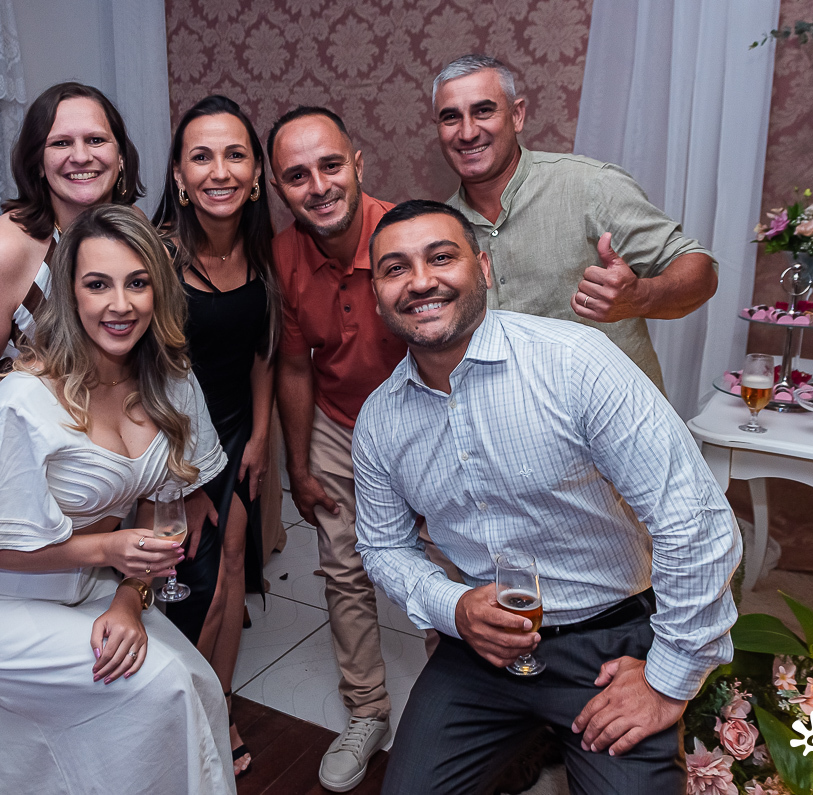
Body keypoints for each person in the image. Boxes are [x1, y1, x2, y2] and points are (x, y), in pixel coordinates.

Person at [352, 200, 741, 794]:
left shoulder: (575, 363)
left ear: (483, 267)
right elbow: (382, 546)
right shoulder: (380, 420)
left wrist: (667, 679)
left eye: (441, 257)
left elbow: (694, 522)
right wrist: (453, 607)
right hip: (482, 649)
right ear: (377, 294)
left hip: (608, 645)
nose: (421, 281)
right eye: (395, 268)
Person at [0, 205, 236, 795]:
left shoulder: (171, 382)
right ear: (69, 294)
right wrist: (107, 550)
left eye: (137, 282)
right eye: (97, 284)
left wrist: (129, 597)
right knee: (162, 685)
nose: (120, 305)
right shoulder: (25, 400)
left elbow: (160, 509)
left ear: (159, 290)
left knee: (201, 687)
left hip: (85, 589)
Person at [0, 81, 151, 596]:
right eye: (60, 142)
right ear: (37, 161)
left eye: (96, 140)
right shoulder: (4, 248)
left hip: (107, 467)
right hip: (23, 472)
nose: (81, 156)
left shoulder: (134, 229)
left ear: (120, 156)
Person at [434, 54, 718, 392]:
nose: (467, 132)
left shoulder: (591, 186)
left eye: (483, 111)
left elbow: (701, 270)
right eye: (451, 117)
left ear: (517, 115)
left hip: (616, 415)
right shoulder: (440, 229)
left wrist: (641, 296)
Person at [266, 106, 406, 792]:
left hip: (418, 419)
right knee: (345, 569)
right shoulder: (284, 254)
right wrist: (298, 464)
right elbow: (295, 366)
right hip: (335, 420)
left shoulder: (405, 234)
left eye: (329, 165)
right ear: (278, 189)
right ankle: (366, 709)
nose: (318, 186)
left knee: (448, 567)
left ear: (357, 163)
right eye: (297, 175)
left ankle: (465, 710)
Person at [151, 94, 281, 776]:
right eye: (201, 156)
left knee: (232, 567)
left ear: (256, 172)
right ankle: (177, 714)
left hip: (235, 432)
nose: (219, 170)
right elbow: (138, 378)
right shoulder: (156, 256)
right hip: (172, 444)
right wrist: (183, 480)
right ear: (178, 173)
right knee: (193, 584)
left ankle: (217, 702)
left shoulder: (261, 252)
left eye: (235, 154)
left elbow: (262, 350)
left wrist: (259, 435)